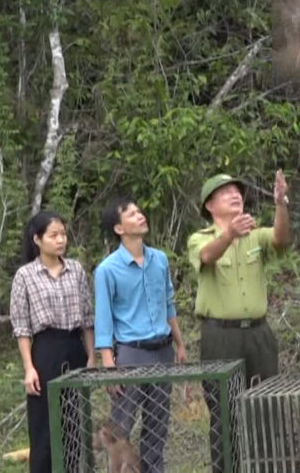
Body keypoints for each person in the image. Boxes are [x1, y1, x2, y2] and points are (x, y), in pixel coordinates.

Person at [188, 171, 291, 473]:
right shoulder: (200, 238)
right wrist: (229, 234)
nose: (235, 195)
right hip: (220, 337)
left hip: (259, 334)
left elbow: (281, 239)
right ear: (209, 205)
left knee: (266, 409)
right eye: (225, 192)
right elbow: (207, 256)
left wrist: (281, 204)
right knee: (224, 414)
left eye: (237, 191)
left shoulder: (255, 235)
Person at [94, 198, 188, 473]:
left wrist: (180, 344)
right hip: (131, 353)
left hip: (162, 350)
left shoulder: (159, 259)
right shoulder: (107, 269)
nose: (140, 216)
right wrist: (109, 363)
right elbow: (104, 318)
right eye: (131, 214)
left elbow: (168, 304)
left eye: (139, 211)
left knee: (158, 423)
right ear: (118, 228)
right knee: (120, 425)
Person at [10, 211, 95, 473]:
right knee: (44, 426)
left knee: (75, 424)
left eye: (63, 234)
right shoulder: (25, 275)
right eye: (53, 235)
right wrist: (29, 367)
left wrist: (92, 356)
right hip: (45, 351)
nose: (60, 240)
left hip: (74, 347)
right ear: (37, 239)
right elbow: (22, 326)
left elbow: (87, 318)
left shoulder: (75, 270)